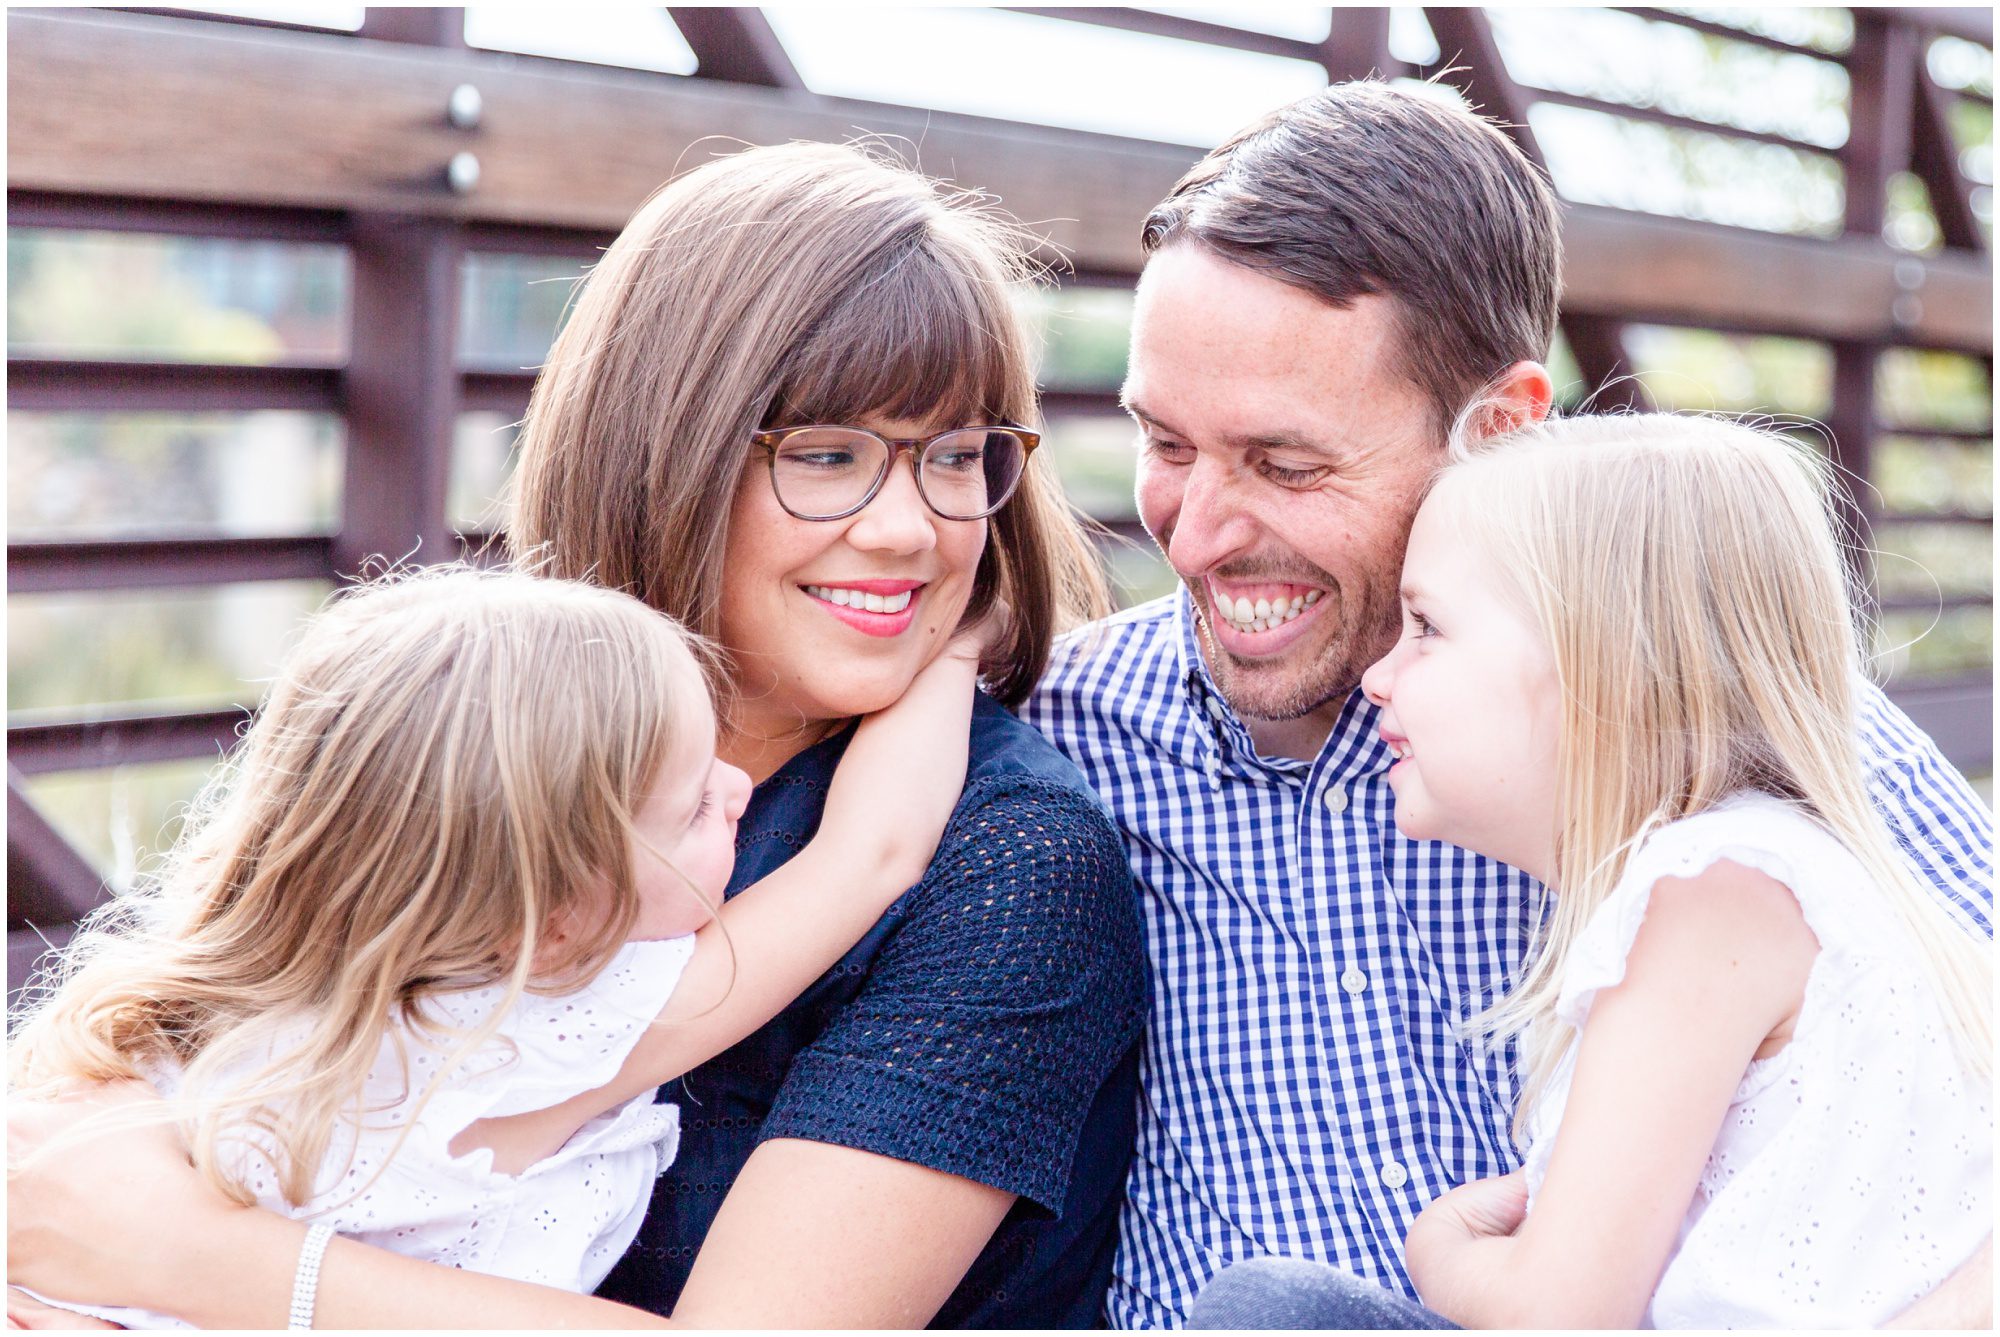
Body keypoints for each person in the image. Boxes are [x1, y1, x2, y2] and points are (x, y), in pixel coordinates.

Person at [6, 142, 1148, 1329]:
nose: (911, 527)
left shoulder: (1013, 867)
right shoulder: (492, 728)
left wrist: (190, 1258)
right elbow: (191, 1020)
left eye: (959, 457)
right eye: (826, 455)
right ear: (669, 443)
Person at [1020, 81, 1994, 1327]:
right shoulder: (1071, 733)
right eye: (1161, 442)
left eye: (1285, 462)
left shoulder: (1715, 738)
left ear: (1501, 426)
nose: (1194, 533)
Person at [11, 563, 986, 1326]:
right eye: (692, 803)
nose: (736, 789)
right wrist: (958, 629)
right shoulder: (536, 1036)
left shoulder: (181, 1037)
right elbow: (872, 853)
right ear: (557, 916)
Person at [1194, 414, 1992, 1327]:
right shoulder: (1747, 881)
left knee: (1268, 1310)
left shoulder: (1710, 895)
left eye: (1426, 628)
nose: (1381, 674)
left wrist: (1439, 1249)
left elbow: (1560, 1313)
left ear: (1593, 668)